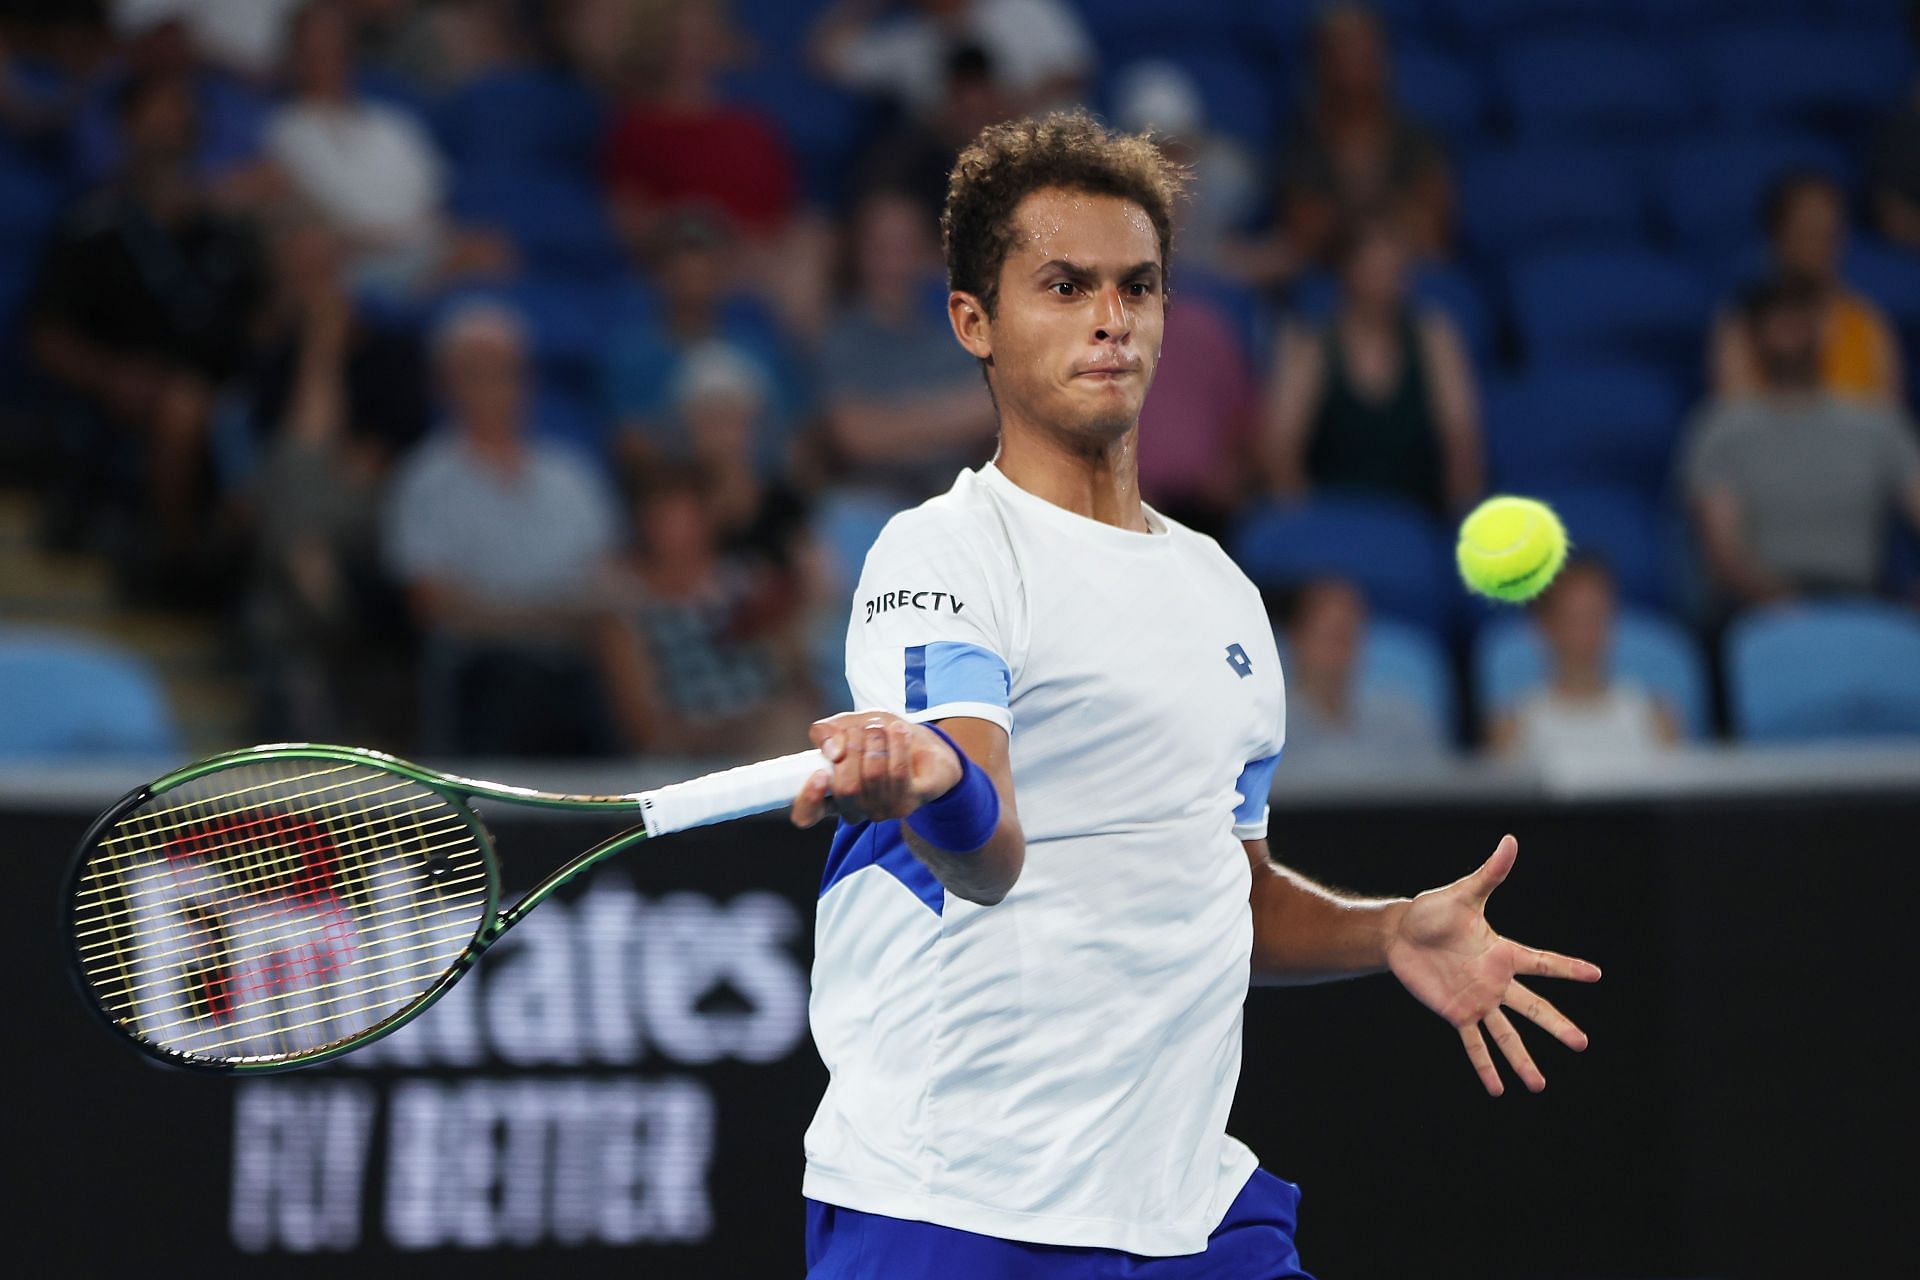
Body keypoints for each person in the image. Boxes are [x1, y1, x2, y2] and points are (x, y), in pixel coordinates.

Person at [785, 110, 1599, 1278]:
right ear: (975, 320)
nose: (1111, 318)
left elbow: (1229, 889)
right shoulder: (942, 556)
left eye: (1138, 285)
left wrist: (1386, 929)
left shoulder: (1221, 591)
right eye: (1063, 286)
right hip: (956, 1202)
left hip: (1182, 1206)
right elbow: (987, 853)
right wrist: (939, 779)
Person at [28, 68, 267, 559]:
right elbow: (46, 336)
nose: (169, 127)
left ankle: (246, 561)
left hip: (228, 396)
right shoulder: (91, 227)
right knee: (184, 405)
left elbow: (256, 326)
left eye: (180, 117)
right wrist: (110, 376)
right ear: (125, 128)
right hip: (130, 395)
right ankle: (174, 553)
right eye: (157, 116)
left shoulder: (222, 232)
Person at [383, 302, 626, 756]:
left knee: (616, 661)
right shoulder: (424, 482)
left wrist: (513, 612)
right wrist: (545, 617)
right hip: (483, 670)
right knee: (510, 680)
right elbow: (431, 605)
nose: (494, 387)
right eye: (476, 373)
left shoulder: (572, 477)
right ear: (446, 385)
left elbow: (607, 586)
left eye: (507, 372)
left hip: (576, 663)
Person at [1684, 276, 1920, 613]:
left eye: (1802, 321)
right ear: (1756, 336)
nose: (1793, 333)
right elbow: (1723, 550)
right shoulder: (1722, 431)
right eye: (1781, 321)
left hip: (1862, 603)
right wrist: (1784, 605)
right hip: (1759, 610)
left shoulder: (1878, 426)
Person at [605, 0, 833, 340]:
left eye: (701, 36)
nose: (692, 49)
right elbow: (631, 220)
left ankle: (801, 360)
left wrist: (768, 243)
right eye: (682, 38)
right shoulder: (638, 128)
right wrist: (707, 228)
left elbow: (783, 208)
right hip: (698, 247)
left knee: (813, 236)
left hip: (764, 253)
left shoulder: (749, 125)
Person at [264, 0, 510, 292]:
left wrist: (434, 242)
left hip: (424, 250)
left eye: (336, 46)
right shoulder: (282, 129)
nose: (327, 58)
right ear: (296, 58)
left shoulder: (393, 123)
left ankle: (433, 297)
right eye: (315, 48)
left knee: (493, 251)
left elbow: (436, 202)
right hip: (352, 259)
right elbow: (312, 212)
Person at [1259, 214, 1483, 518]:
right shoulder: (1310, 347)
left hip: (1417, 520)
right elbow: (1281, 454)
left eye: (1394, 269)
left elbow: (1462, 445)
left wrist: (1459, 523)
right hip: (1333, 520)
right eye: (1374, 269)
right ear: (1347, 270)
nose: (1386, 281)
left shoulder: (1435, 338)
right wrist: (1307, 531)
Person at [601, 462, 820, 758]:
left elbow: (795, 675)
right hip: (691, 749)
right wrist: (722, 733)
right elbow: (646, 728)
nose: (674, 530)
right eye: (662, 517)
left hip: (770, 725)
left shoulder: (750, 582)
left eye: (685, 515)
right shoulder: (625, 607)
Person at [1235, 2, 1452, 286]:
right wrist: (1386, 219)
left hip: (1410, 281)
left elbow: (1433, 235)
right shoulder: (1301, 142)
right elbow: (1304, 235)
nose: (1354, 69)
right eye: (1343, 54)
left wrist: (1348, 221)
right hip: (1331, 288)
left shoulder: (1416, 139)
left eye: (1364, 54)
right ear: (1321, 62)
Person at [818, 187, 998, 502]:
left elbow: (996, 410)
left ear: (929, 253)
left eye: (905, 246)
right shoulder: (841, 338)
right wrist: (957, 416)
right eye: (880, 246)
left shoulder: (956, 330)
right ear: (857, 252)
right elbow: (855, 437)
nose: (892, 261)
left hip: (953, 500)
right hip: (869, 500)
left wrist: (894, 423)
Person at [1711, 171, 1903, 403]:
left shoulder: (1866, 322)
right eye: (1808, 235)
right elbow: (1740, 423)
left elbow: (1886, 424)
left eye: (1828, 236)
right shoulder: (1741, 325)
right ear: (1778, 238)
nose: (1819, 249)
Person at [1488, 557, 1680, 768]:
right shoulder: (1513, 727)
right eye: (1573, 619)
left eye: (1596, 616)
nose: (1587, 633)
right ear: (1544, 627)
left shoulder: (1655, 718)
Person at [808, 0, 1093, 124]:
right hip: (950, 165)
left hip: (1038, 142)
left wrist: (1002, 108)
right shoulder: (908, 42)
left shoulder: (1022, 9)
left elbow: (1074, 70)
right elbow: (823, 57)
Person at [1276, 577, 1447, 776]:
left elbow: (1435, 791)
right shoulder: (1265, 727)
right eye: (1329, 635)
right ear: (1296, 638)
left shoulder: (1401, 718)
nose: (1339, 650)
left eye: (1348, 635)